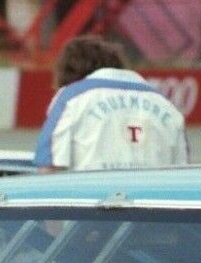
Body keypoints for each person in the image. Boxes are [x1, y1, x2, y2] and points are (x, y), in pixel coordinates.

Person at [34, 35, 188, 173]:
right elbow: (184, 172)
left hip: (92, 199)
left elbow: (48, 167)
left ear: (68, 73)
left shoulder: (70, 98)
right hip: (152, 200)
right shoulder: (167, 106)